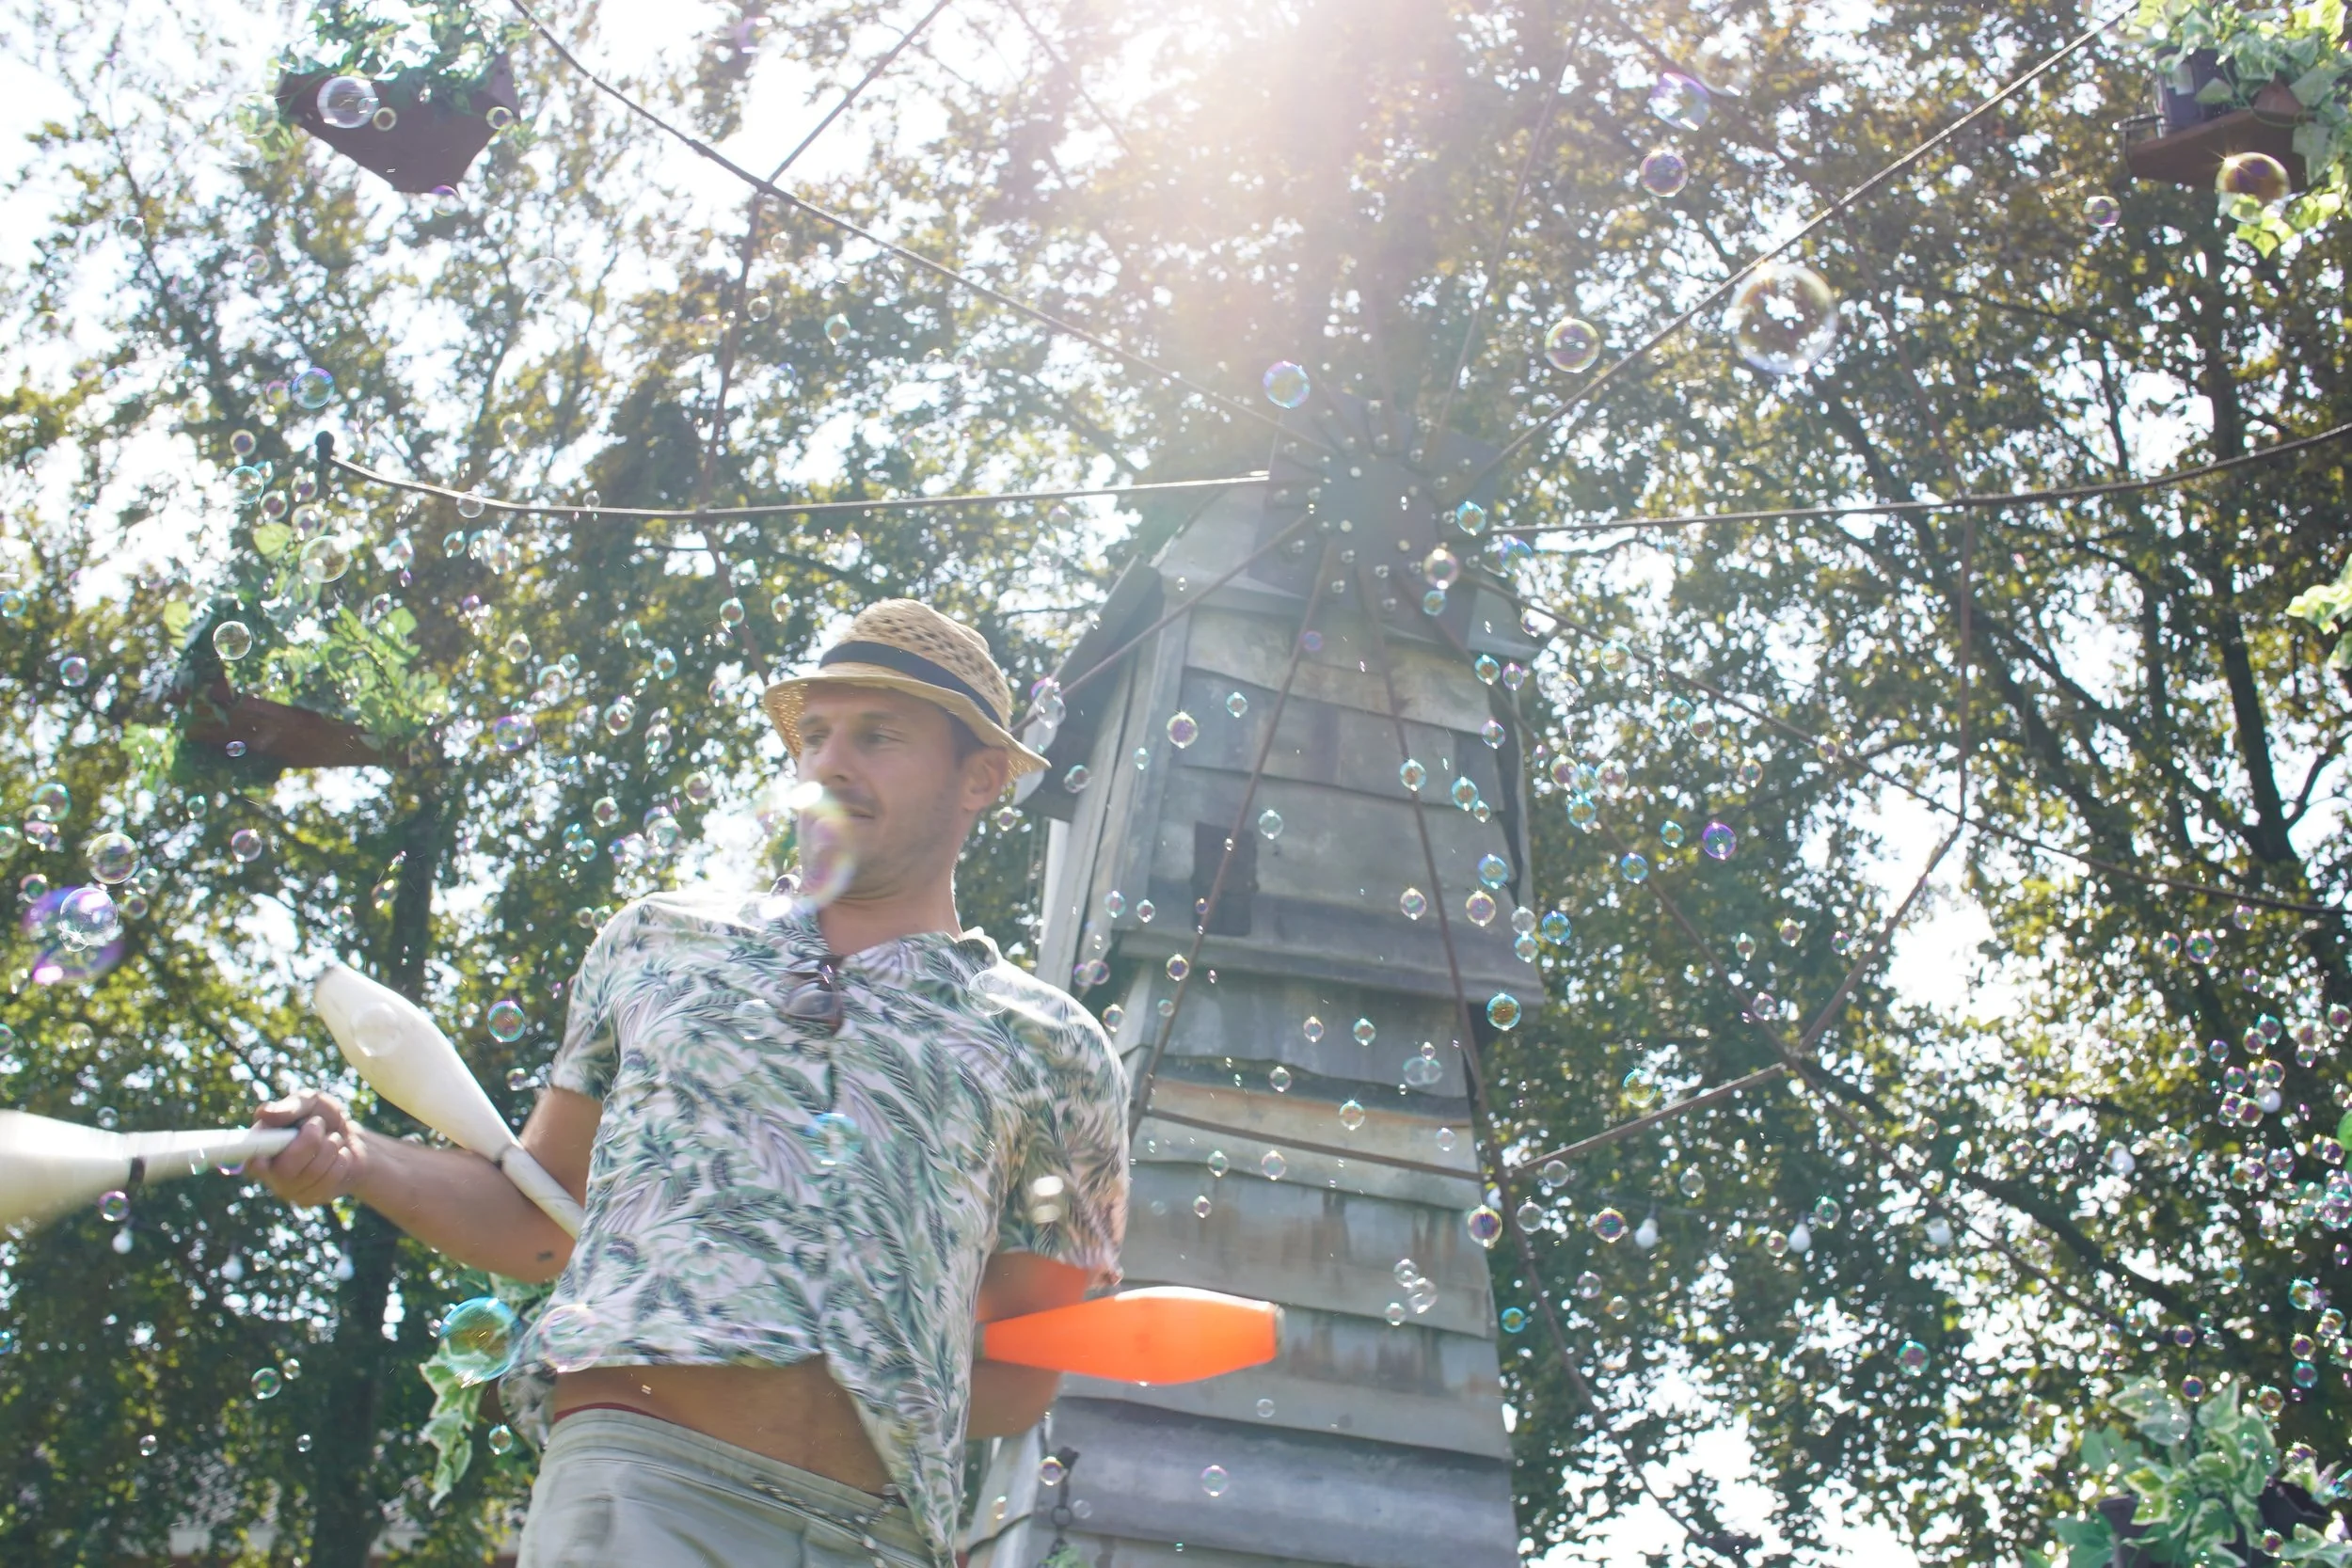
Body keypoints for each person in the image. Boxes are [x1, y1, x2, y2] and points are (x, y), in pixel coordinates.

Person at [252, 600, 1130, 1568]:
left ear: (981, 776)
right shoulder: (659, 941)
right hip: (637, 1491)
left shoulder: (1056, 1047)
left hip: (879, 1535)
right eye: (817, 734)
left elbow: (1013, 1378)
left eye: (878, 736)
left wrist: (882, 1291)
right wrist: (358, 1158)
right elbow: (540, 1212)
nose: (832, 762)